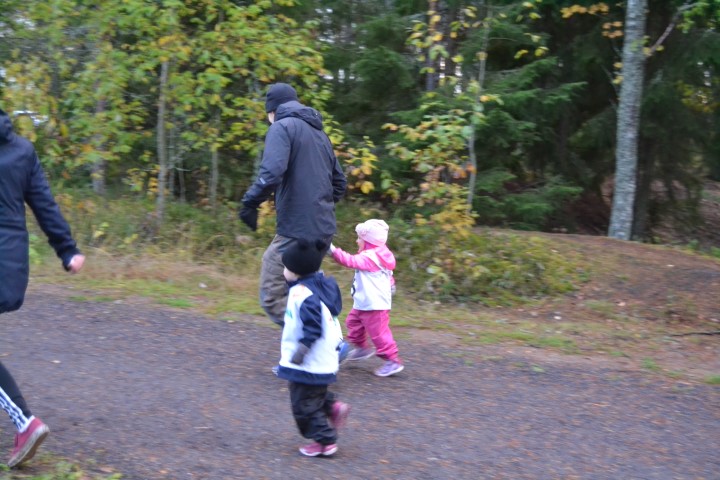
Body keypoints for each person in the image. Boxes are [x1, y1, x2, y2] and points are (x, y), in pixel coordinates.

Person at [0, 108, 86, 467]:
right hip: (11, 263)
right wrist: (67, 249)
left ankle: (26, 423)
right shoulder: (22, 150)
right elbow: (43, 203)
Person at [239, 83, 347, 328]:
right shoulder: (320, 133)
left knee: (272, 292)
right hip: (323, 228)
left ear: (271, 110)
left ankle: (321, 338)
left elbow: (272, 172)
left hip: (298, 230)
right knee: (304, 289)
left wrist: (250, 203)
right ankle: (321, 340)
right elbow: (339, 182)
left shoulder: (281, 127)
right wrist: (319, 206)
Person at [276, 238, 350, 457]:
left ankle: (325, 440)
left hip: (310, 358)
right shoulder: (319, 285)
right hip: (324, 357)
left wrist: (302, 350)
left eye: (286, 268)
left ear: (295, 271)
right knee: (313, 392)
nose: (283, 272)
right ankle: (332, 407)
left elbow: (313, 327)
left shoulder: (304, 295)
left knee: (303, 404)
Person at [329, 219, 404, 377]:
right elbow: (387, 274)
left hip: (375, 305)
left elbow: (350, 261)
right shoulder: (380, 255)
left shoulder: (370, 258)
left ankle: (392, 361)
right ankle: (362, 348)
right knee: (353, 323)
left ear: (369, 242)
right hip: (364, 302)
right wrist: (391, 284)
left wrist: (332, 250)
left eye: (359, 238)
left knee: (379, 334)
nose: (357, 241)